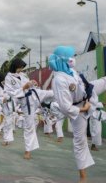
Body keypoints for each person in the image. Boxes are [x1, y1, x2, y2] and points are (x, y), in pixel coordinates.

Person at [48, 46, 93, 183]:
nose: (73, 59)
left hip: (88, 97)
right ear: (63, 59)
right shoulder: (59, 80)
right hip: (78, 108)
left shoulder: (71, 71)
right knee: (80, 141)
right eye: (70, 56)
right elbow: (66, 107)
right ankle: (83, 176)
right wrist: (84, 109)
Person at [4, 58, 53, 160]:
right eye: (20, 67)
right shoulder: (8, 78)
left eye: (22, 68)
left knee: (53, 93)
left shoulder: (23, 75)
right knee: (29, 126)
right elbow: (10, 93)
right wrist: (24, 87)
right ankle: (28, 150)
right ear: (15, 66)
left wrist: (32, 83)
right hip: (25, 102)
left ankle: (75, 97)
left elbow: (29, 84)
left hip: (35, 94)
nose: (21, 69)